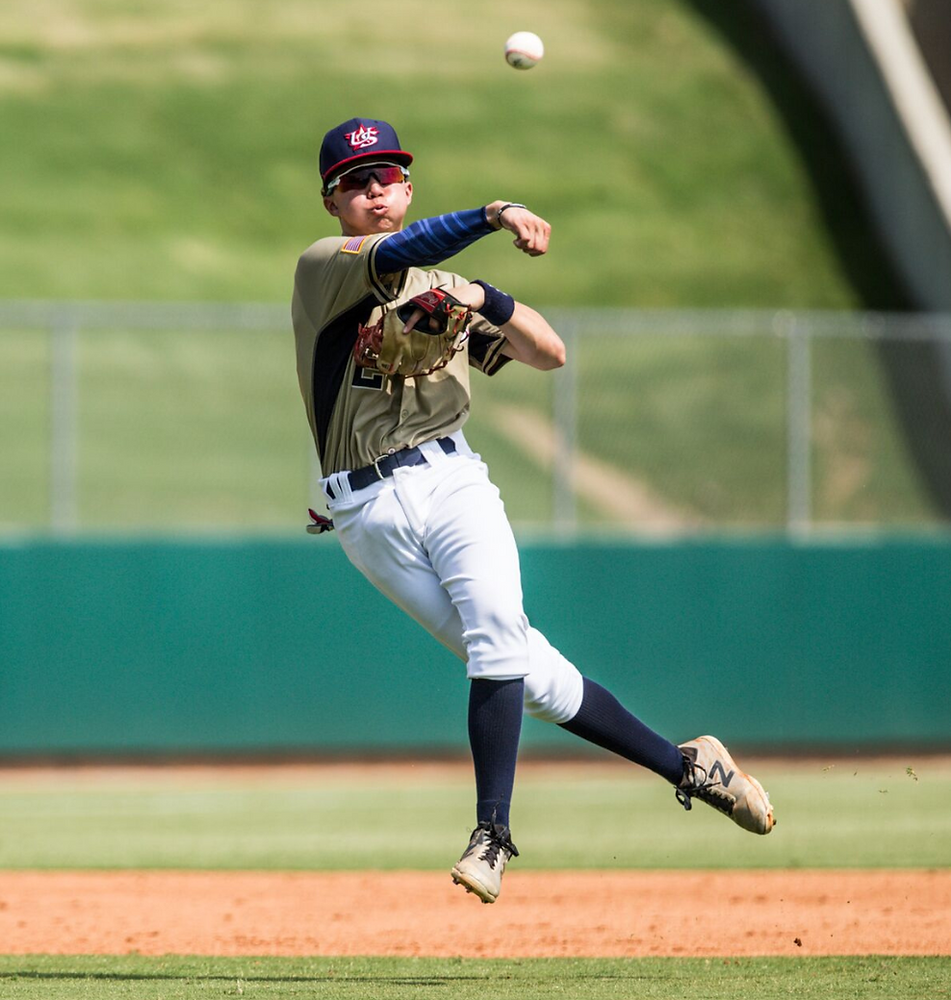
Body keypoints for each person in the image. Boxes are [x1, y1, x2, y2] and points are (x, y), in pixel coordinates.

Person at [292, 117, 774, 904]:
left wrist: (486, 295)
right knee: (533, 676)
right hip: (366, 513)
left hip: (452, 483)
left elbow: (547, 352)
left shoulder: (447, 292)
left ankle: (492, 834)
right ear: (332, 202)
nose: (375, 189)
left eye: (388, 175)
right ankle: (690, 766)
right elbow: (399, 259)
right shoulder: (326, 269)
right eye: (357, 181)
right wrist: (492, 215)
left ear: (408, 187)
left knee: (494, 636)